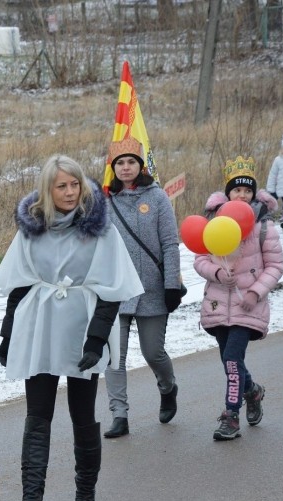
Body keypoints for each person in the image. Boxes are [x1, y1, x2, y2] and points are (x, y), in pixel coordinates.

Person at [0, 154, 143, 501]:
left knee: (81, 413)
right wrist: (8, 334)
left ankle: (85, 495)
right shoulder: (33, 228)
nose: (70, 192)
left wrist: (96, 340)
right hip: (40, 327)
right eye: (61, 185)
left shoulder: (99, 229)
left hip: (83, 326)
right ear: (48, 189)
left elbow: (113, 290)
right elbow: (20, 284)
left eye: (75, 184)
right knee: (38, 413)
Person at [193, 156, 283, 441]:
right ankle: (253, 391)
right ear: (228, 193)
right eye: (237, 190)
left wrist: (256, 291)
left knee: (232, 358)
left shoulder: (264, 228)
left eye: (248, 190)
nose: (242, 195)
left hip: (248, 306)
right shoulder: (213, 224)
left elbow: (276, 266)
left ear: (254, 194)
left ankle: (231, 416)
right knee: (229, 361)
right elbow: (200, 259)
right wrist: (217, 274)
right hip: (218, 304)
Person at [102, 138, 182, 439]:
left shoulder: (158, 197)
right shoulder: (104, 201)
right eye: (120, 163)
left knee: (153, 351)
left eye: (130, 162)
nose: (125, 167)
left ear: (140, 166)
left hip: (152, 288)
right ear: (113, 168)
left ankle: (167, 386)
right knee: (114, 357)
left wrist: (172, 284)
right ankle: (119, 415)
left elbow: (170, 244)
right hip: (116, 291)